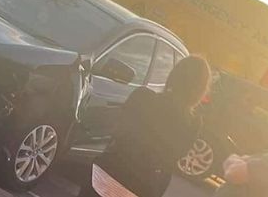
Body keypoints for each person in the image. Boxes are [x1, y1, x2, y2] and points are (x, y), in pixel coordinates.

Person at [80, 55, 211, 197]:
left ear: (174, 75)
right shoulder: (193, 124)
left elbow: (117, 130)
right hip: (142, 187)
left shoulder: (142, 97)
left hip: (107, 173)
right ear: (200, 91)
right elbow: (174, 158)